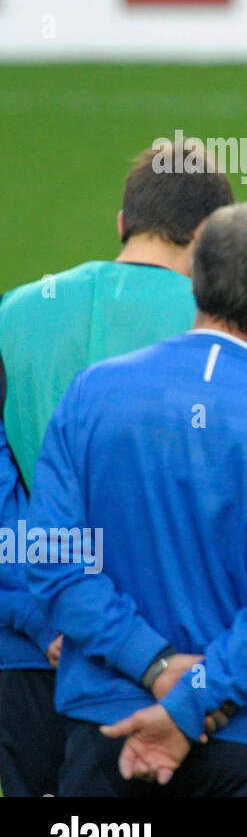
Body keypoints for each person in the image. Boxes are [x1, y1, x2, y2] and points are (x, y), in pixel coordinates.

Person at [25, 202, 247, 796]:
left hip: (111, 721)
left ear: (195, 280)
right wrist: (199, 695)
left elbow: (54, 561)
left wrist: (153, 665)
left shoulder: (91, 394)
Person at [0, 141, 233, 797]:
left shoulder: (15, 311)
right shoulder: (220, 329)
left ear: (122, 221)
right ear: (213, 235)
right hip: (168, 656)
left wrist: (44, 617)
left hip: (29, 647)